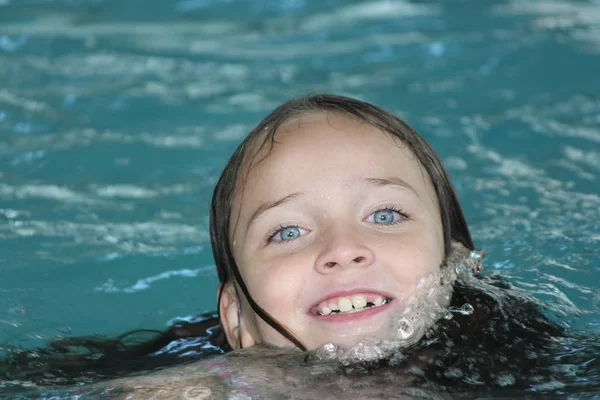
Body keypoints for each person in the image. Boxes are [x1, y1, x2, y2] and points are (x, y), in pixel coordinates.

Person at [2, 94, 596, 399]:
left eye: (385, 215)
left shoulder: (528, 364)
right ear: (236, 320)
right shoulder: (189, 379)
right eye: (287, 231)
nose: (343, 248)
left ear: (460, 268)